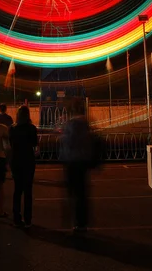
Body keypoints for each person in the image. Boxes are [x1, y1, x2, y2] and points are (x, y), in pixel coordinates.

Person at [60, 98, 93, 232]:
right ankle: (82, 222)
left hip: (72, 161)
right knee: (82, 193)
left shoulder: (72, 124)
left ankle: (73, 220)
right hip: (83, 161)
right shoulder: (86, 123)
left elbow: (68, 142)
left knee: (72, 193)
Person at [9, 105, 38, 228]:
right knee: (28, 191)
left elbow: (11, 143)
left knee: (17, 190)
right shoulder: (31, 128)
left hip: (16, 160)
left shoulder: (12, 129)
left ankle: (16, 217)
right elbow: (34, 143)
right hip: (28, 160)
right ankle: (28, 219)